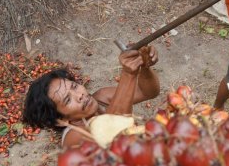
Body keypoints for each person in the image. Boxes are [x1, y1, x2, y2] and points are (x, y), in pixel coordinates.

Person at [23, 46, 160, 148]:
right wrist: (129, 74)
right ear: (60, 120)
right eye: (68, 99)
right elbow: (113, 130)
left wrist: (144, 67)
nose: (80, 95)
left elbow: (148, 92)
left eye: (75, 87)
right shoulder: (73, 138)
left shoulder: (102, 97)